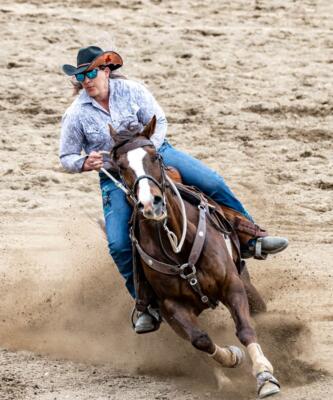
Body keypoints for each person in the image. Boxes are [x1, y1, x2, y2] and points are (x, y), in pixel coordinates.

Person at [59, 46, 288, 333]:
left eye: (91, 73)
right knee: (117, 243)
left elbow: (160, 120)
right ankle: (145, 304)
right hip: (116, 174)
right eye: (81, 77)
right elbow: (65, 157)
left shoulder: (132, 90)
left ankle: (250, 236)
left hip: (156, 155)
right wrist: (83, 162)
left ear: (105, 71)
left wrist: (148, 151)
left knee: (213, 182)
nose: (86, 81)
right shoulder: (76, 114)